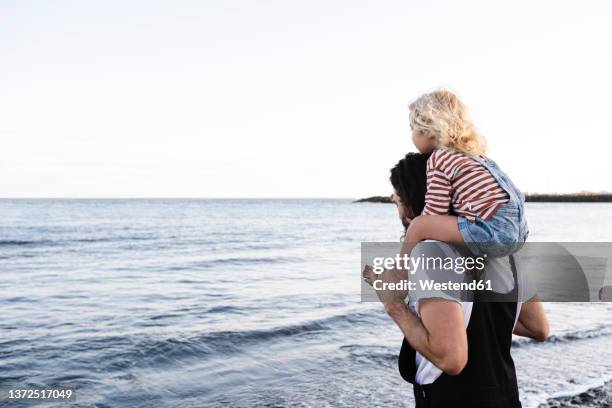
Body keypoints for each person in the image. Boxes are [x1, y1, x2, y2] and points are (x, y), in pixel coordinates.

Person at [363, 152, 549, 408]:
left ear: (409, 205)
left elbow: (451, 360)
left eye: (397, 202)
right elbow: (538, 327)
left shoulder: (431, 254)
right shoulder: (505, 252)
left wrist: (393, 304)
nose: (399, 212)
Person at [403, 89, 529, 258]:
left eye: (413, 129)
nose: (411, 136)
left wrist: (420, 225)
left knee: (418, 226)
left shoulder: (439, 158)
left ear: (427, 129)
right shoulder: (476, 156)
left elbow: (436, 211)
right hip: (519, 232)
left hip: (494, 232)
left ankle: (397, 276)